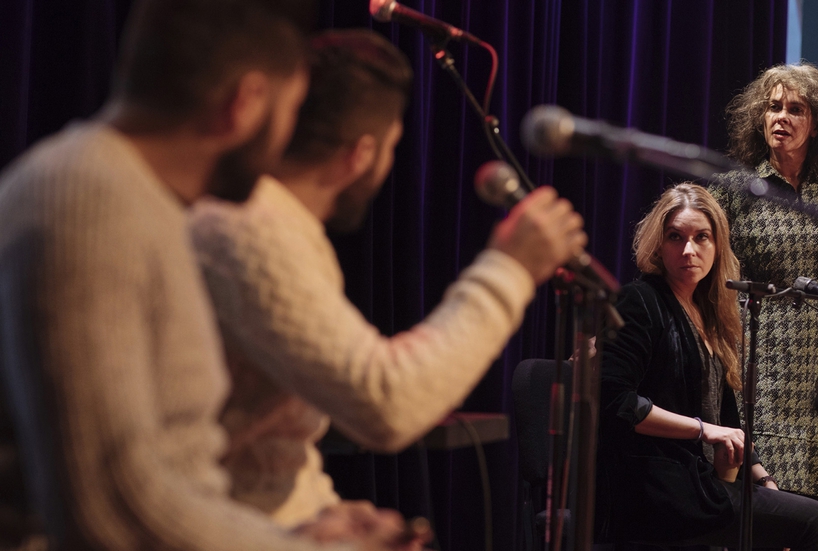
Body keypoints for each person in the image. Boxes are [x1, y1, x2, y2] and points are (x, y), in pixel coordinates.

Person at [0, 1, 409, 549]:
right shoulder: (87, 196)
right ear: (244, 104)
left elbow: (174, 483)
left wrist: (291, 532)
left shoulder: (143, 203)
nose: (287, 143)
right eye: (291, 110)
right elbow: (111, 510)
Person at [188, 28, 587, 536]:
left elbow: (270, 445)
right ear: (361, 154)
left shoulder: (281, 228)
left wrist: (332, 512)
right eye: (393, 147)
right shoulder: (252, 230)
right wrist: (508, 268)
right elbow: (387, 405)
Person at [594, 184, 818, 550]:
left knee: (806, 517)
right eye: (675, 237)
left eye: (701, 237)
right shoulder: (641, 301)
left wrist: (761, 476)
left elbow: (727, 420)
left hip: (698, 486)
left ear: (717, 245)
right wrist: (702, 431)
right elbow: (615, 401)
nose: (689, 250)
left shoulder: (708, 314)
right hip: (653, 491)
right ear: (659, 245)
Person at [709, 63, 818, 497]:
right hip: (757, 363)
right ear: (759, 118)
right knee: (765, 510)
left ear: (816, 125)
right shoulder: (733, 189)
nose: (781, 117)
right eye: (773, 107)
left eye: (795, 109)